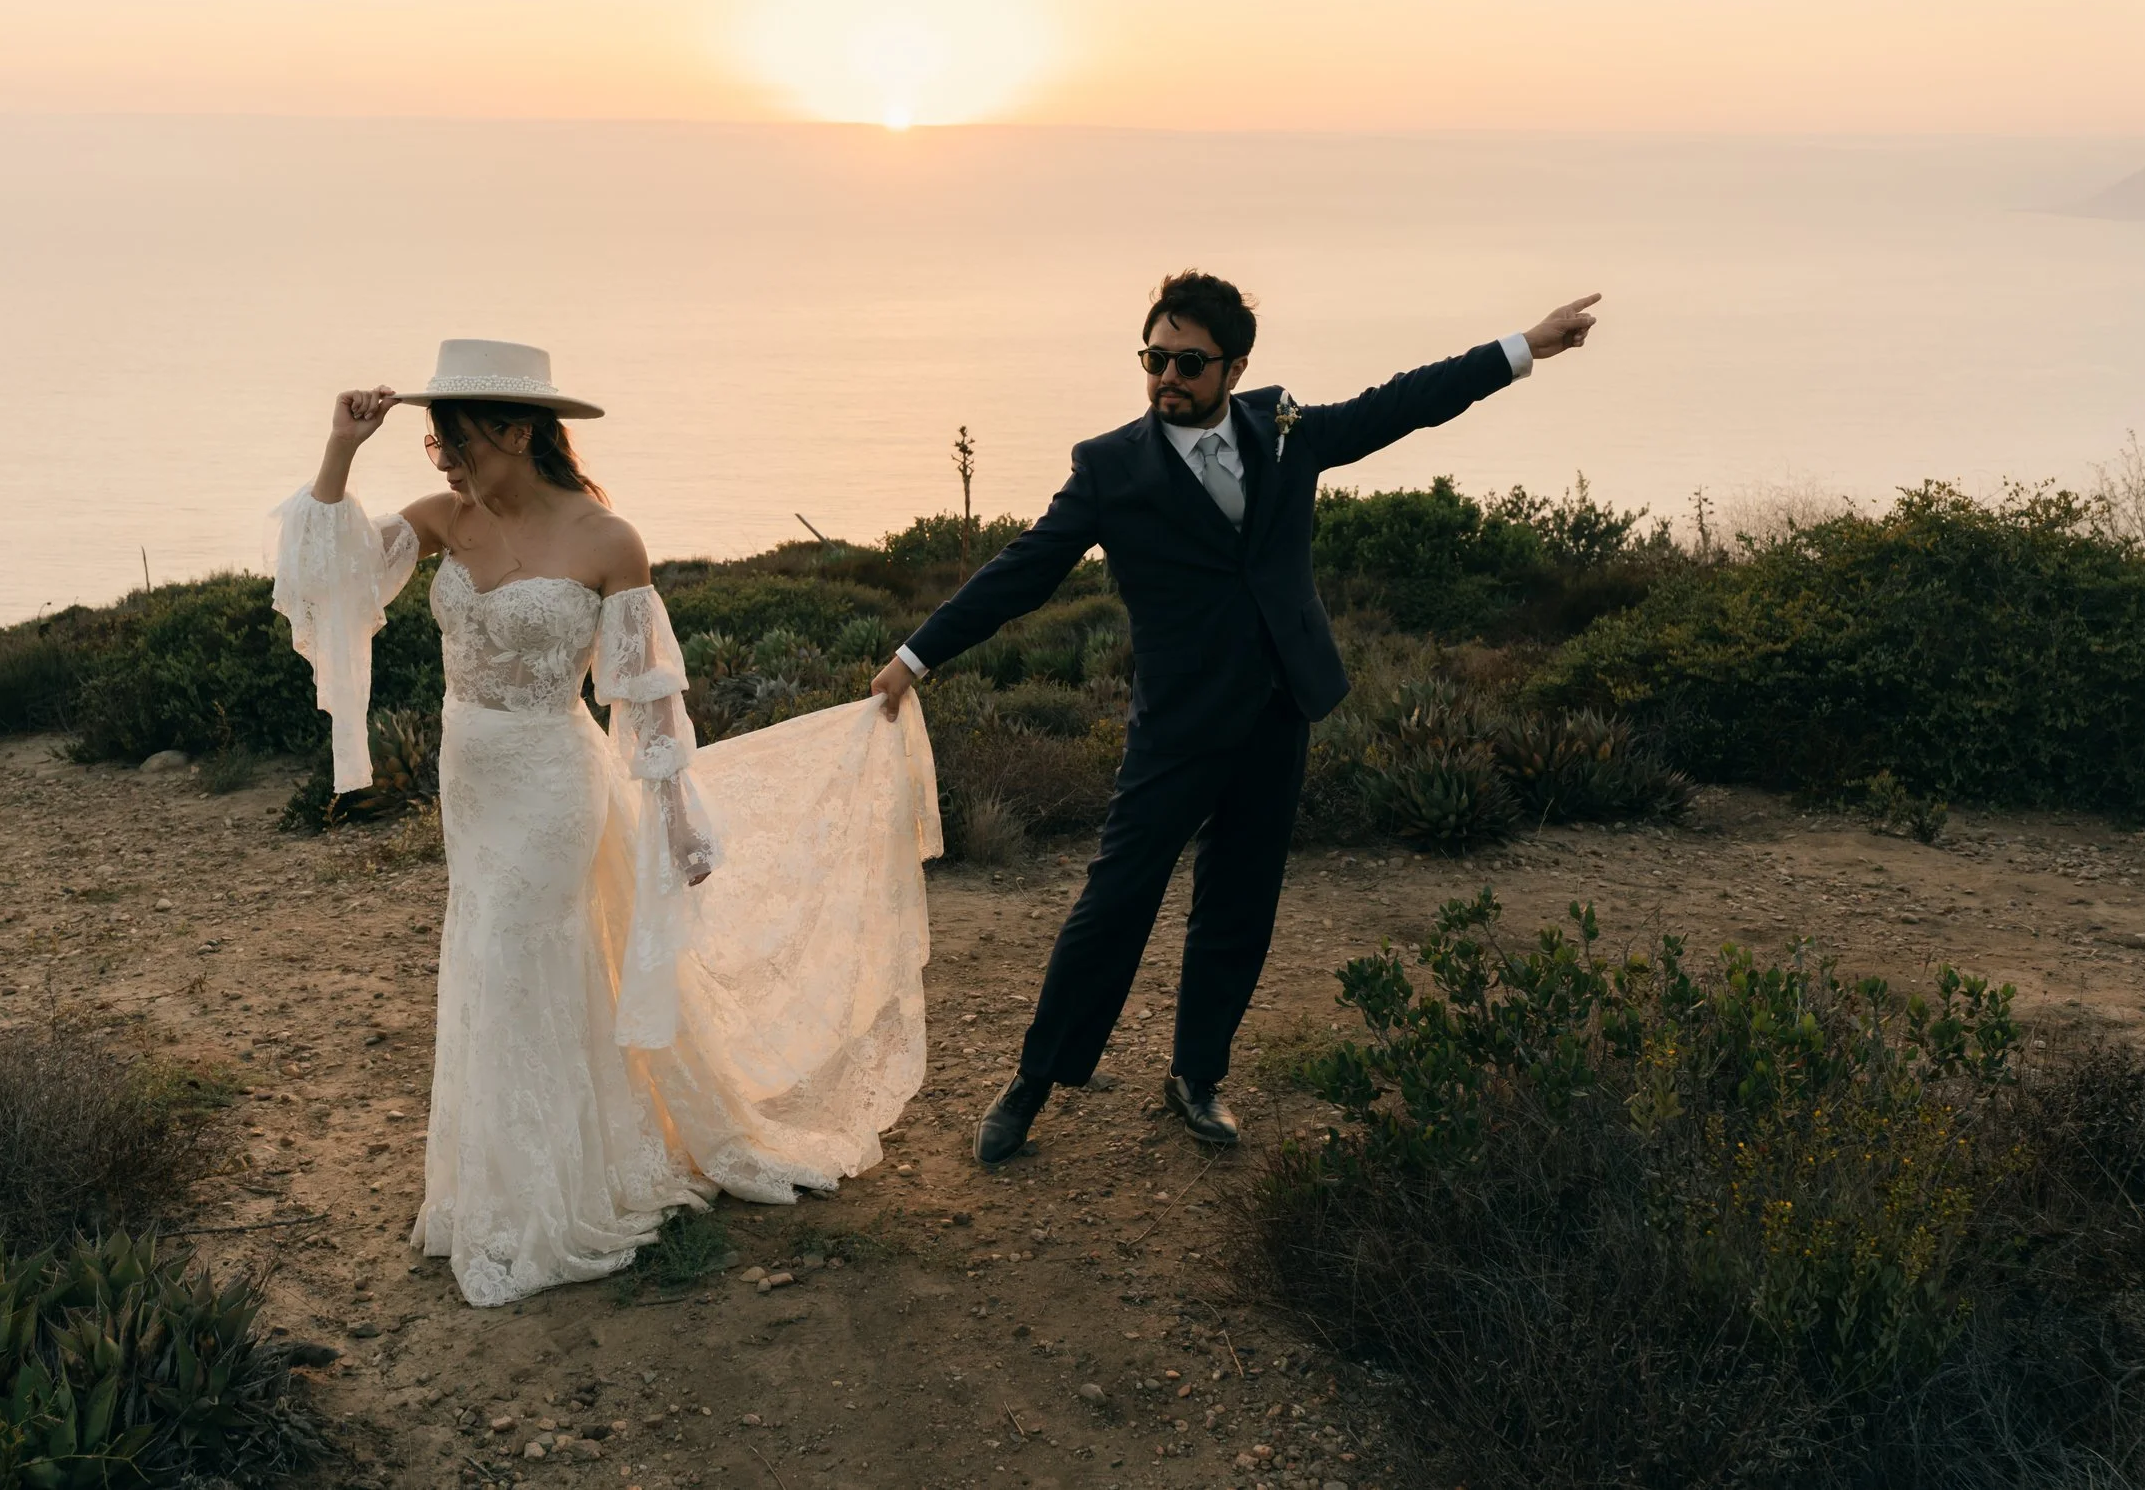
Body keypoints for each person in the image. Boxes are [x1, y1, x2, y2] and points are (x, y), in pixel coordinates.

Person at [871, 273, 1602, 1165]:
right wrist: (916, 656)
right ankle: (1033, 1083)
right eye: (1154, 358)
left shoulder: (1282, 426)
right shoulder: (1110, 467)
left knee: (1240, 901)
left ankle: (1195, 1077)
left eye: (1187, 362)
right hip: (1176, 724)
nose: (1166, 377)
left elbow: (1403, 404)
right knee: (1115, 903)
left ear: (1235, 365)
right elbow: (1025, 568)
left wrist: (1525, 346)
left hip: (1279, 707)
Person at [273, 339, 938, 1306]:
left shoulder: (606, 540)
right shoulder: (440, 520)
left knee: (516, 955)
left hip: (551, 778)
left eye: (456, 439)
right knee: (492, 956)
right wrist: (340, 449)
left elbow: (646, 696)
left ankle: (543, 1198)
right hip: (471, 774)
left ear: (515, 428)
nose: (445, 460)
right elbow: (324, 581)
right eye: (433, 444)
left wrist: (675, 817)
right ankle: (503, 1183)